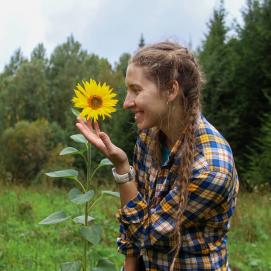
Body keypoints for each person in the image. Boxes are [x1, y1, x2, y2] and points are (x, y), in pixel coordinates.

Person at [76, 41, 239, 271]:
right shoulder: (149, 137)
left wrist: (123, 168)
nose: (126, 103)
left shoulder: (211, 168)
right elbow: (135, 212)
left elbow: (145, 232)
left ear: (171, 90)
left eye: (136, 90)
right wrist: (129, 265)